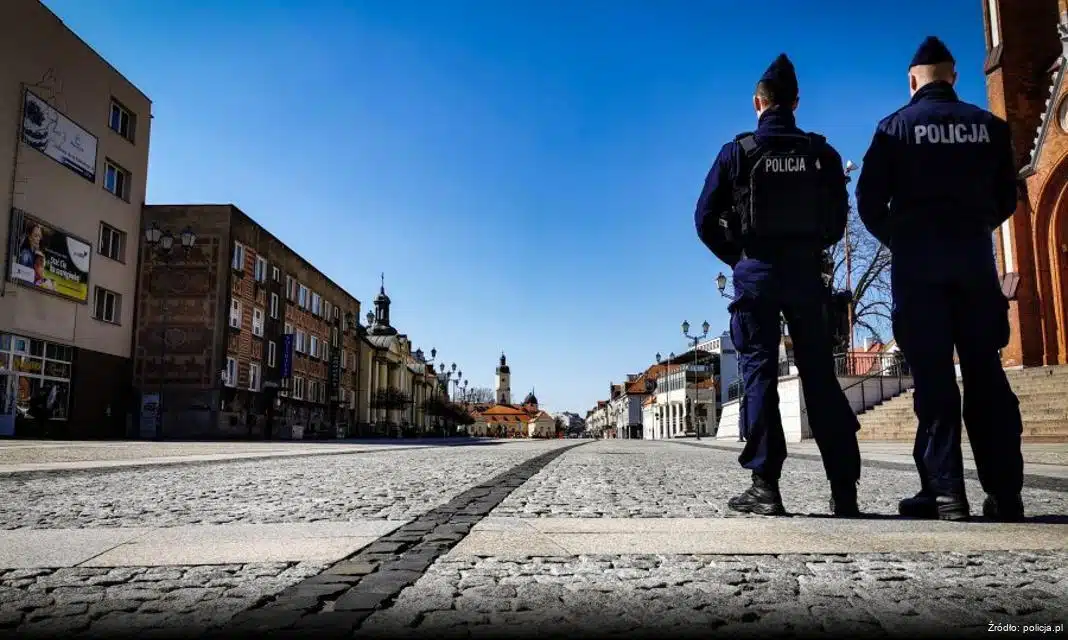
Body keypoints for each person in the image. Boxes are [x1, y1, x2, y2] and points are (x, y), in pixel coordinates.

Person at [855, 36, 1024, 522]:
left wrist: (902, 239)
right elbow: (1007, 197)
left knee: (933, 380)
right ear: (954, 77)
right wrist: (975, 228)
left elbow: (868, 202)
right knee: (986, 374)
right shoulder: (989, 127)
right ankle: (1005, 493)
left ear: (913, 81)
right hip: (974, 265)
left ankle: (946, 493)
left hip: (919, 271)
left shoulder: (893, 128)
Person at [695, 53, 862, 517]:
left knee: (759, 376)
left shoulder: (737, 152)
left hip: (756, 276)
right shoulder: (822, 153)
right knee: (820, 377)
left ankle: (765, 487)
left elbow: (704, 218)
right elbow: (837, 221)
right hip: (806, 275)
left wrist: (739, 258)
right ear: (796, 102)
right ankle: (843, 488)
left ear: (758, 103)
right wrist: (809, 251)